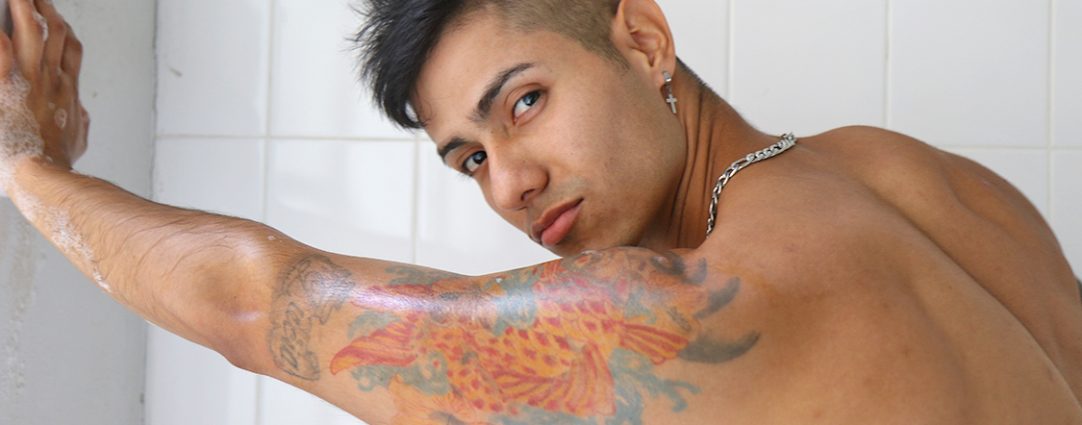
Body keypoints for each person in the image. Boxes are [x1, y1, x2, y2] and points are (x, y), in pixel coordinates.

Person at [1, 0, 1080, 423]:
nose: (508, 183)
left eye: (524, 102)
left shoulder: (691, 307)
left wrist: (26, 165)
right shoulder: (917, 178)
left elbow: (261, 308)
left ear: (643, 41)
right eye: (470, 157)